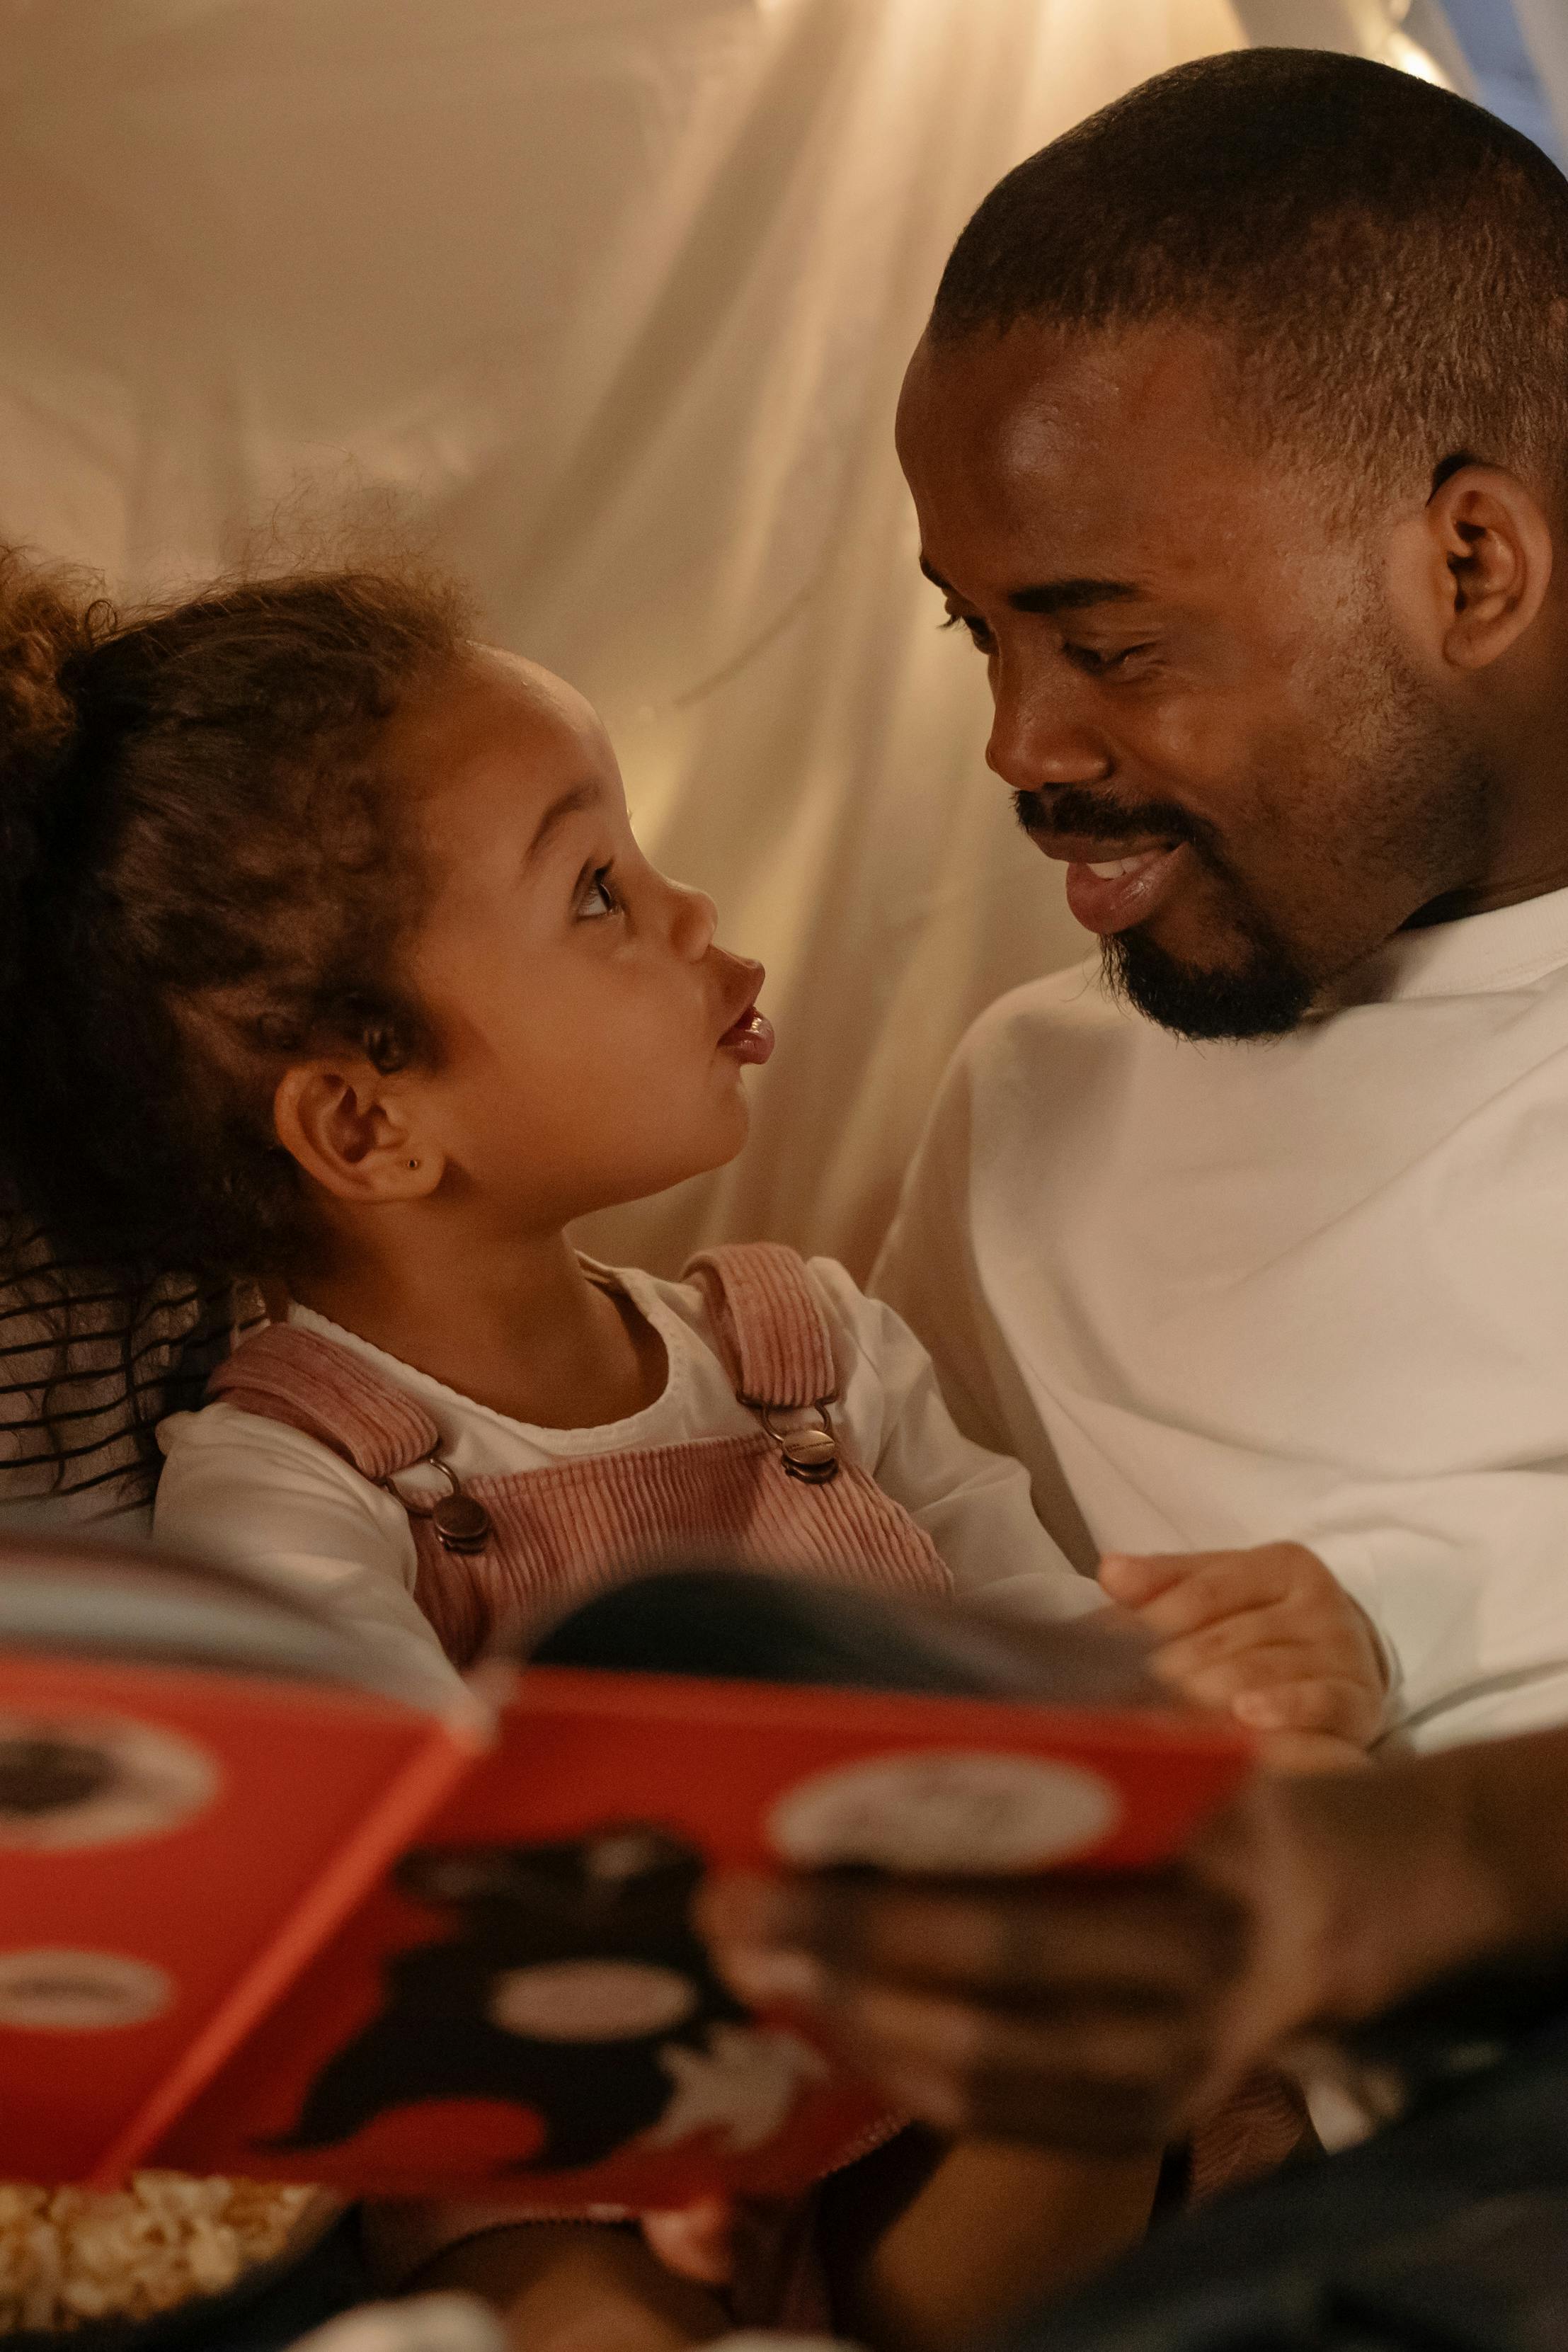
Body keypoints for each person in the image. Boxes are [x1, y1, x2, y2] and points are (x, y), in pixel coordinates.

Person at [0, 554, 1378, 2348]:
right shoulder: (288, 1465)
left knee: (1117, 1974)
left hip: (917, 2097)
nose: (690, 907)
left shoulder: (808, 1347)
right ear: (364, 1115)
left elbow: (1055, 1666)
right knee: (520, 2238)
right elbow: (387, 1882)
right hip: (573, 2134)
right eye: (595, 887)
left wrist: (1238, 1682)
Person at [869, 45, 1568, 1762]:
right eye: (980, 633)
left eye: (1109, 645)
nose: (1019, 744)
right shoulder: (1027, 1095)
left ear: (1468, 567)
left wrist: (1392, 1628)